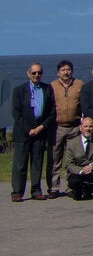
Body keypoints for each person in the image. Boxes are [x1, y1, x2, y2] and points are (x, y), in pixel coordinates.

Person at [10, 62, 55, 202]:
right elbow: (16, 113)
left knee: (37, 162)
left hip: (40, 131)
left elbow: (52, 112)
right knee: (20, 164)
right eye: (34, 73)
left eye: (39, 73)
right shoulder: (19, 90)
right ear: (28, 73)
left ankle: (36, 190)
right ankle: (17, 191)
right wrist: (28, 129)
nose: (37, 75)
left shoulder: (47, 89)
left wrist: (41, 127)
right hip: (23, 133)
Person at [49, 59, 83, 198]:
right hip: (58, 127)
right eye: (63, 70)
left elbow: (83, 104)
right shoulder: (52, 86)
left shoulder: (79, 84)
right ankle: (54, 187)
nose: (66, 72)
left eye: (68, 69)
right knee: (55, 159)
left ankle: (70, 186)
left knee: (72, 159)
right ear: (58, 72)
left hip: (74, 127)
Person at [63, 117, 93, 200]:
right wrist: (82, 171)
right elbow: (68, 164)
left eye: (90, 126)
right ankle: (79, 191)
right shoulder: (71, 142)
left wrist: (92, 166)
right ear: (80, 128)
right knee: (75, 183)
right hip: (80, 171)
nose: (88, 129)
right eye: (85, 127)